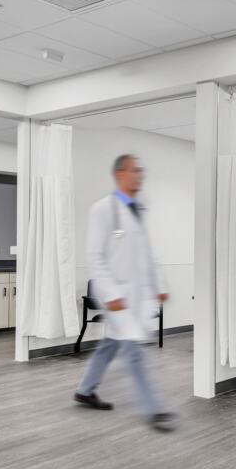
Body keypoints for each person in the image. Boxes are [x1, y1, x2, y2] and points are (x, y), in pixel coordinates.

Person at [73, 154, 176, 431]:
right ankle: (155, 410)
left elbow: (146, 256)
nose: (141, 175)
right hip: (117, 297)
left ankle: (85, 390)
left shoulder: (138, 210)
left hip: (135, 297)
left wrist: (160, 287)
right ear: (120, 174)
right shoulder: (102, 209)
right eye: (135, 170)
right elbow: (94, 256)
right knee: (134, 351)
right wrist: (110, 294)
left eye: (142, 170)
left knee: (110, 345)